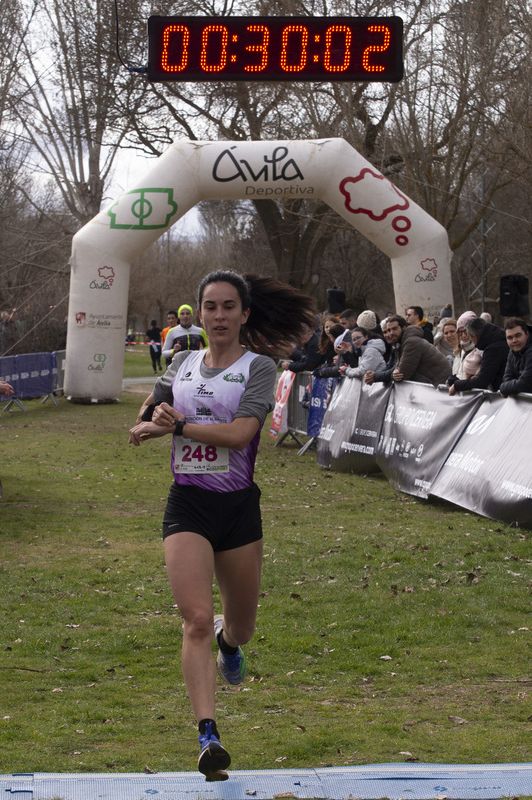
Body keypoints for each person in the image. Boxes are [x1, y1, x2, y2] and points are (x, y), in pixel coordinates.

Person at [129, 270, 315, 782]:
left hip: (237, 510)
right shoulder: (183, 361)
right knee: (193, 619)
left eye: (228, 307)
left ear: (245, 314)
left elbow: (240, 434)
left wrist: (179, 426)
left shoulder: (259, 367)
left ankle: (228, 643)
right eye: (210, 307)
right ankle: (208, 735)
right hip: (186, 504)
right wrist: (146, 423)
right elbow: (152, 406)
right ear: (199, 313)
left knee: (241, 626)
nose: (218, 316)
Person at [371, 315, 452, 387]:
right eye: (388, 330)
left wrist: (376, 376)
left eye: (394, 329)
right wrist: (377, 375)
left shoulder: (411, 342)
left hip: (439, 386)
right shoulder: (401, 343)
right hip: (432, 385)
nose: (390, 333)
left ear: (404, 328)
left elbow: (402, 374)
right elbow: (395, 368)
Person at [448, 316, 507, 394]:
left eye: (468, 336)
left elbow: (483, 380)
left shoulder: (493, 348)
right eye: (460, 333)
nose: (463, 336)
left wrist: (457, 385)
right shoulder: (494, 339)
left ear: (474, 336)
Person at [450, 312, 477, 379]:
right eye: (460, 332)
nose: (464, 336)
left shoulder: (480, 350)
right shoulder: (463, 351)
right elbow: (460, 373)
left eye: (466, 331)